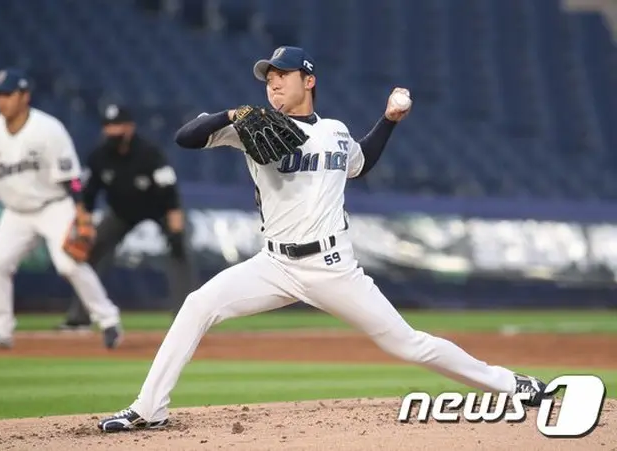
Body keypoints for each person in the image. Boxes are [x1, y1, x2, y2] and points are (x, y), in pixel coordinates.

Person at [97, 46, 547, 432]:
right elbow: (186, 137)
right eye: (267, 78)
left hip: (333, 268)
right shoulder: (252, 129)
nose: (272, 85)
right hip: (273, 266)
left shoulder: (334, 130)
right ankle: (148, 409)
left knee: (408, 344)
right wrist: (231, 115)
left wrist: (389, 120)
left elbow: (360, 162)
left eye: (282, 76)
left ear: (308, 80)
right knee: (198, 304)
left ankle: (511, 383)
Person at [0, 68, 122, 350]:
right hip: (15, 211)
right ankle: (0, 331)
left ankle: (108, 319)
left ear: (24, 96)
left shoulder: (47, 129)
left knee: (69, 264)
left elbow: (72, 179)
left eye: (7, 94)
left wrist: (80, 212)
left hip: (53, 206)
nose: (1, 101)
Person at [56, 104, 196, 330]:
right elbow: (88, 195)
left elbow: (170, 194)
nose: (112, 131)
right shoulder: (99, 156)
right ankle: (80, 317)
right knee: (91, 250)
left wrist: (176, 230)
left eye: (117, 126)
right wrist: (85, 225)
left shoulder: (149, 153)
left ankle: (187, 317)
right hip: (121, 212)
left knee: (180, 250)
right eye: (108, 126)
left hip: (159, 209)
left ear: (129, 128)